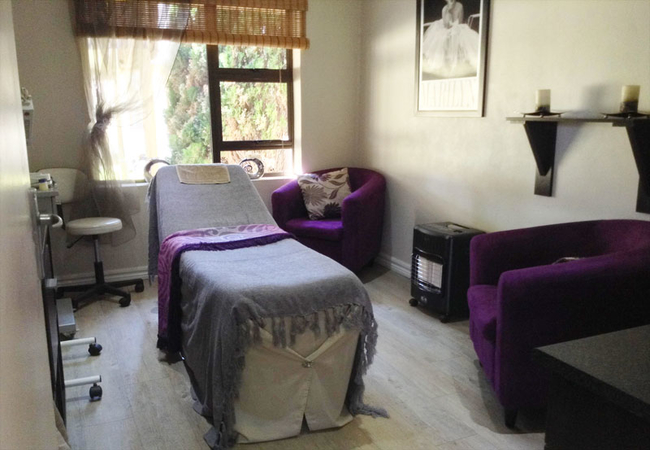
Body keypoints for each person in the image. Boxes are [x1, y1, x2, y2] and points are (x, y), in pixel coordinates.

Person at [421, 0, 479, 79]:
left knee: (458, 35)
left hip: (458, 27)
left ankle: (458, 61)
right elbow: (446, 26)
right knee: (443, 37)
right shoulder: (444, 9)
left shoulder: (459, 6)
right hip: (446, 28)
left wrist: (453, 20)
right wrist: (449, 12)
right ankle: (446, 62)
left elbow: (460, 22)